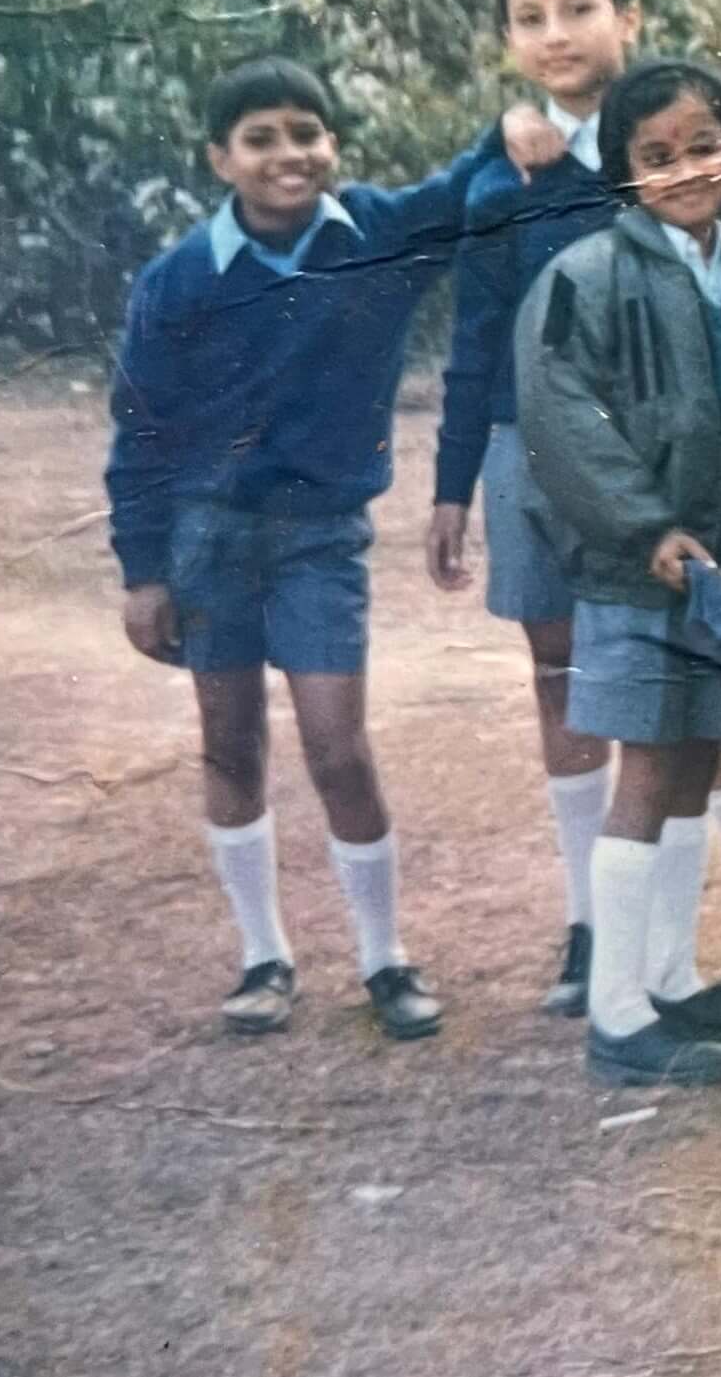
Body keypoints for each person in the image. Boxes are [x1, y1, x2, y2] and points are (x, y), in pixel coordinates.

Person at [106, 54, 546, 1040]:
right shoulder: (179, 279)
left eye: (305, 133)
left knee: (337, 746)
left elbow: (459, 191)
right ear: (221, 156)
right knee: (230, 740)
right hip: (206, 537)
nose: (286, 155)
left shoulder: (376, 236)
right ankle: (263, 954)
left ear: (333, 143)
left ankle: (385, 956)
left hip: (320, 538)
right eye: (258, 138)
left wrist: (511, 118)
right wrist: (142, 572)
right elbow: (138, 431)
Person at [432, 0, 721, 1017]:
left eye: (578, 8)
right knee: (595, 693)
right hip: (588, 487)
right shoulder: (506, 171)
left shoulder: (696, 150)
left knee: (694, 715)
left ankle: (712, 942)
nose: (556, 34)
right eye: (529, 16)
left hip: (696, 493)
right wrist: (455, 482)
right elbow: (488, 347)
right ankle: (606, 955)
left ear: (626, 14)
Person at [510, 60, 721, 1088]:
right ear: (622, 175)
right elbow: (563, 421)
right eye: (656, 156)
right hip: (632, 573)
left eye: (702, 146)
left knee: (698, 758)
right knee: (646, 769)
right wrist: (647, 529)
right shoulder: (584, 277)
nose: (686, 169)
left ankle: (672, 976)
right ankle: (614, 1010)